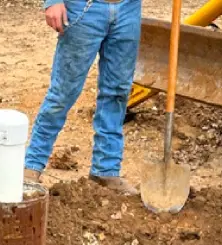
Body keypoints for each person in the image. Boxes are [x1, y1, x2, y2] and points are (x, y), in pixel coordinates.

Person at [24, 0, 142, 195]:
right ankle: (32, 166)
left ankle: (106, 170)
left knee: (117, 92)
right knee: (63, 93)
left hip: (128, 8)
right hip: (85, 7)